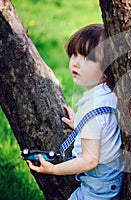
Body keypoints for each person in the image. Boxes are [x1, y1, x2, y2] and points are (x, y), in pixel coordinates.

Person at [27, 24, 124, 200]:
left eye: (88, 58)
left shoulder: (94, 108)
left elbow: (89, 160)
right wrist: (81, 123)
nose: (77, 63)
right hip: (107, 181)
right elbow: (105, 129)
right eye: (75, 54)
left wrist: (54, 169)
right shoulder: (108, 93)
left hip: (98, 191)